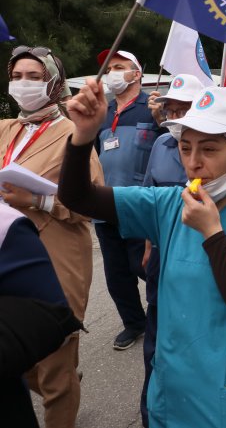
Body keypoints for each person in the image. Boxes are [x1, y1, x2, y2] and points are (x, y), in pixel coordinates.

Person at [59, 83, 226, 427]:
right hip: (172, 398)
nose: (194, 163)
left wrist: (212, 233)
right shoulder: (167, 205)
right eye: (185, 148)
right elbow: (78, 197)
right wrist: (83, 136)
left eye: (210, 149)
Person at [1, 46, 103, 428]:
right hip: (6, 258)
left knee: (55, 364)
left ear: (54, 82)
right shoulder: (5, 128)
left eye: (34, 77)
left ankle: (62, 391)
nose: (23, 84)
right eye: (17, 76)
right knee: (17, 356)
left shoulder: (73, 135)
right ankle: (57, 380)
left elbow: (91, 203)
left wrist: (38, 200)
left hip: (54, 259)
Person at [138, 73, 205, 427]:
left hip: (205, 251)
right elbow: (150, 199)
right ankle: (153, 407)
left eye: (183, 108)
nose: (174, 114)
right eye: (170, 108)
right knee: (159, 327)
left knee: (196, 330)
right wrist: (149, 244)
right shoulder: (161, 146)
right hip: (163, 254)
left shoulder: (216, 148)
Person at [91, 49, 159, 351]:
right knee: (116, 273)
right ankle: (134, 323)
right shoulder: (101, 112)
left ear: (137, 73)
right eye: (109, 68)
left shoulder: (153, 108)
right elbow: (92, 156)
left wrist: (163, 120)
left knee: (146, 265)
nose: (113, 73)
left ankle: (169, 313)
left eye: (120, 67)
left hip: (141, 204)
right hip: (105, 204)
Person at [0, 203, 83, 428]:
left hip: (55, 250)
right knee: (39, 371)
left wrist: (36, 198)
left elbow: (83, 207)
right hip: (25, 252)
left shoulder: (6, 225)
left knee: (57, 371)